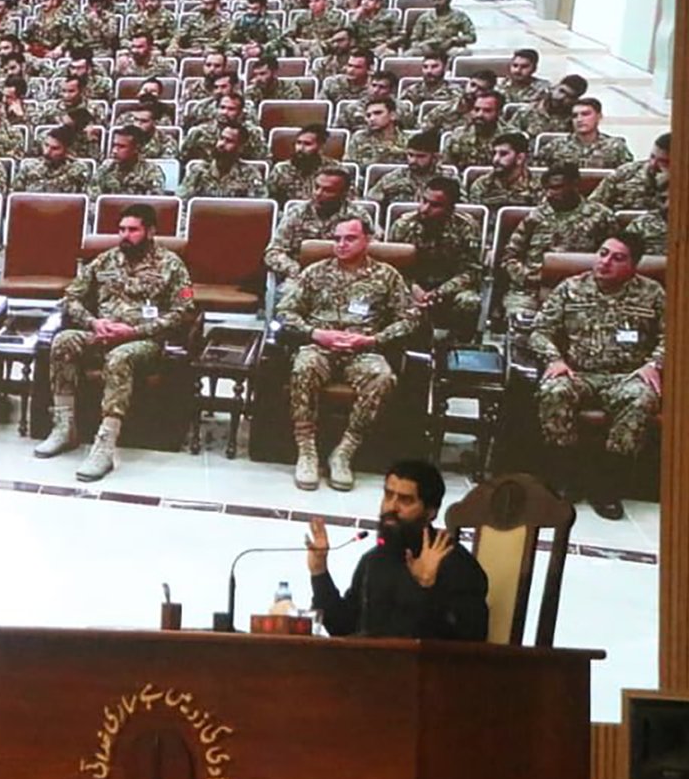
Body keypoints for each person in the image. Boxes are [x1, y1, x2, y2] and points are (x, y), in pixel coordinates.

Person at [33, 202, 197, 482]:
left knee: (120, 357)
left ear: (150, 231)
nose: (125, 235)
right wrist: (93, 323)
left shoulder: (171, 264)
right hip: (102, 332)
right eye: (121, 229)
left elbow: (185, 310)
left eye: (133, 230)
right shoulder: (105, 260)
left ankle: (105, 446)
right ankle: (64, 427)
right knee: (63, 341)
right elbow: (71, 296)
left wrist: (135, 331)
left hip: (143, 341)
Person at [276, 215, 419, 490]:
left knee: (382, 377)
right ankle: (306, 451)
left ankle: (344, 452)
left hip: (363, 347)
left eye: (350, 238)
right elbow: (285, 311)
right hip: (320, 344)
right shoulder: (314, 272)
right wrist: (315, 334)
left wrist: (373, 339)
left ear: (368, 240)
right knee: (303, 366)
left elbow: (409, 319)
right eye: (337, 238)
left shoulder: (386, 276)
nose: (341, 244)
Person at [531, 232, 665, 519]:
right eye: (603, 253)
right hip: (578, 372)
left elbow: (674, 334)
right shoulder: (571, 288)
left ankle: (607, 486)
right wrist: (554, 358)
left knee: (641, 400)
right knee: (554, 392)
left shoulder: (652, 293)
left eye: (618, 258)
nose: (605, 262)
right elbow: (540, 330)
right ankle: (565, 478)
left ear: (633, 265)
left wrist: (655, 362)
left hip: (625, 376)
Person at [303, 461, 488, 639]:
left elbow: (469, 640)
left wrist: (426, 588)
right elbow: (343, 628)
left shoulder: (456, 564)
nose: (392, 507)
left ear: (430, 512)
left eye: (405, 500)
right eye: (388, 495)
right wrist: (319, 573)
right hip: (372, 667)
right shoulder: (374, 561)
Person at [500, 162, 616, 319]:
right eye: (546, 189)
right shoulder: (535, 217)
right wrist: (527, 277)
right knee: (521, 321)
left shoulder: (600, 217)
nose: (549, 194)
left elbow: (615, 258)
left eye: (556, 188)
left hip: (585, 291)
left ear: (574, 185)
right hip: (532, 291)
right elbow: (509, 256)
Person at [387, 176, 483, 335]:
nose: (425, 209)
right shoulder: (403, 225)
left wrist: (438, 293)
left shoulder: (466, 227)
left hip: (448, 289)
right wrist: (413, 288)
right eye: (424, 201)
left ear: (450, 208)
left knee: (470, 302)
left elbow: (471, 272)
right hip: (411, 287)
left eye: (435, 205)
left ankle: (459, 349)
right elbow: (391, 268)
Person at [263, 166, 366, 280]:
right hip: (301, 278)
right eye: (316, 187)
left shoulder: (358, 216)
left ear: (344, 193)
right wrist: (296, 270)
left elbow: (371, 252)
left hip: (345, 278)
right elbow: (273, 253)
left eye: (328, 190)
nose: (318, 193)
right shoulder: (297, 213)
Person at [180, 122, 265, 199]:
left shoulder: (250, 174)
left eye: (229, 141)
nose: (221, 144)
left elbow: (259, 207)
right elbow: (182, 205)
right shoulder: (198, 171)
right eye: (221, 138)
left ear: (241, 148)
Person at [592, 132, 669, 214]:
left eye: (663, 161)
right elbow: (593, 204)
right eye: (652, 157)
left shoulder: (681, 187)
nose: (653, 164)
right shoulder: (627, 173)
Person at [407, 0, 476, 56]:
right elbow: (414, 39)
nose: (436, 3)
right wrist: (422, 45)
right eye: (434, 0)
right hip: (427, 47)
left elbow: (472, 36)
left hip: (449, 48)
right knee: (408, 54)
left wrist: (454, 40)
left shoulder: (459, 16)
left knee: (465, 53)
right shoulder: (424, 17)